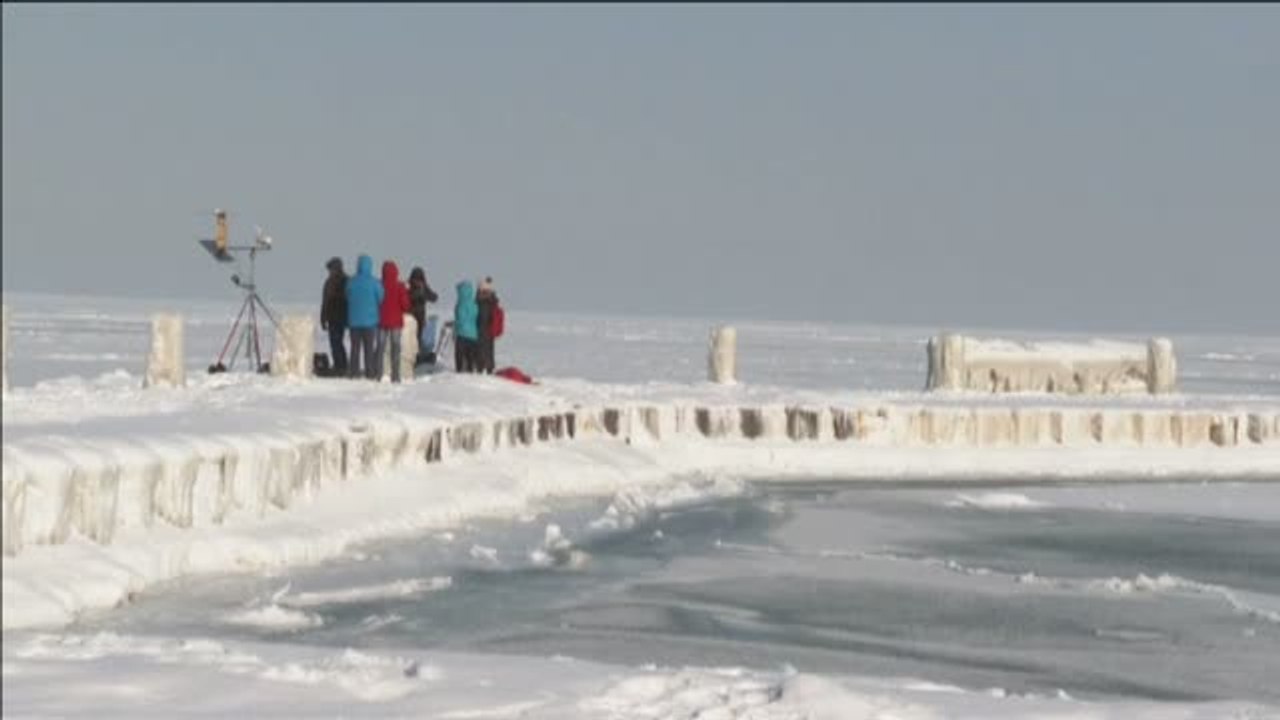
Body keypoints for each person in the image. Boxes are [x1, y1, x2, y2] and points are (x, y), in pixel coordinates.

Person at [345, 254, 383, 380]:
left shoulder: (351, 282)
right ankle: (370, 373)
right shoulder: (374, 282)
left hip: (354, 321)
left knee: (355, 348)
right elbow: (381, 298)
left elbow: (347, 296)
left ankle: (354, 372)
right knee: (369, 349)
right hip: (370, 322)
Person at [375, 260, 412, 383]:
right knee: (395, 348)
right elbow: (405, 305)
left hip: (381, 321)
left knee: (380, 348)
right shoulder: (400, 286)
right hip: (396, 322)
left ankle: (378, 374)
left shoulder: (378, 285)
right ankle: (395, 376)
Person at [319, 257, 348, 375]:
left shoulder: (330, 282)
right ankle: (342, 364)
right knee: (337, 342)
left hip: (335, 317)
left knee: (336, 342)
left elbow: (325, 301)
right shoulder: (347, 280)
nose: (329, 272)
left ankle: (340, 365)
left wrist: (323, 318)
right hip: (339, 317)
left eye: (330, 269)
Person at [407, 267, 439, 364]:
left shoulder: (411, 286)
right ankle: (415, 358)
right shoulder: (420, 287)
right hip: (415, 317)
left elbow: (433, 297)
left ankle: (415, 358)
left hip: (414, 317)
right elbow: (433, 297)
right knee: (415, 338)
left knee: (414, 338)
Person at [475, 276, 501, 374]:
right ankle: (489, 368)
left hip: (482, 329)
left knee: (481, 350)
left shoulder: (481, 301)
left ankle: (481, 368)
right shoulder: (492, 300)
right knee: (489, 349)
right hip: (489, 330)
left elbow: (480, 316)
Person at [453, 279, 480, 373]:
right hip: (473, 335)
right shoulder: (474, 304)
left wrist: (455, 326)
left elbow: (460, 319)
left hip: (462, 335)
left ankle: (460, 372)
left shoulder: (460, 304)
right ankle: (470, 372)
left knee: (459, 357)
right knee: (470, 358)